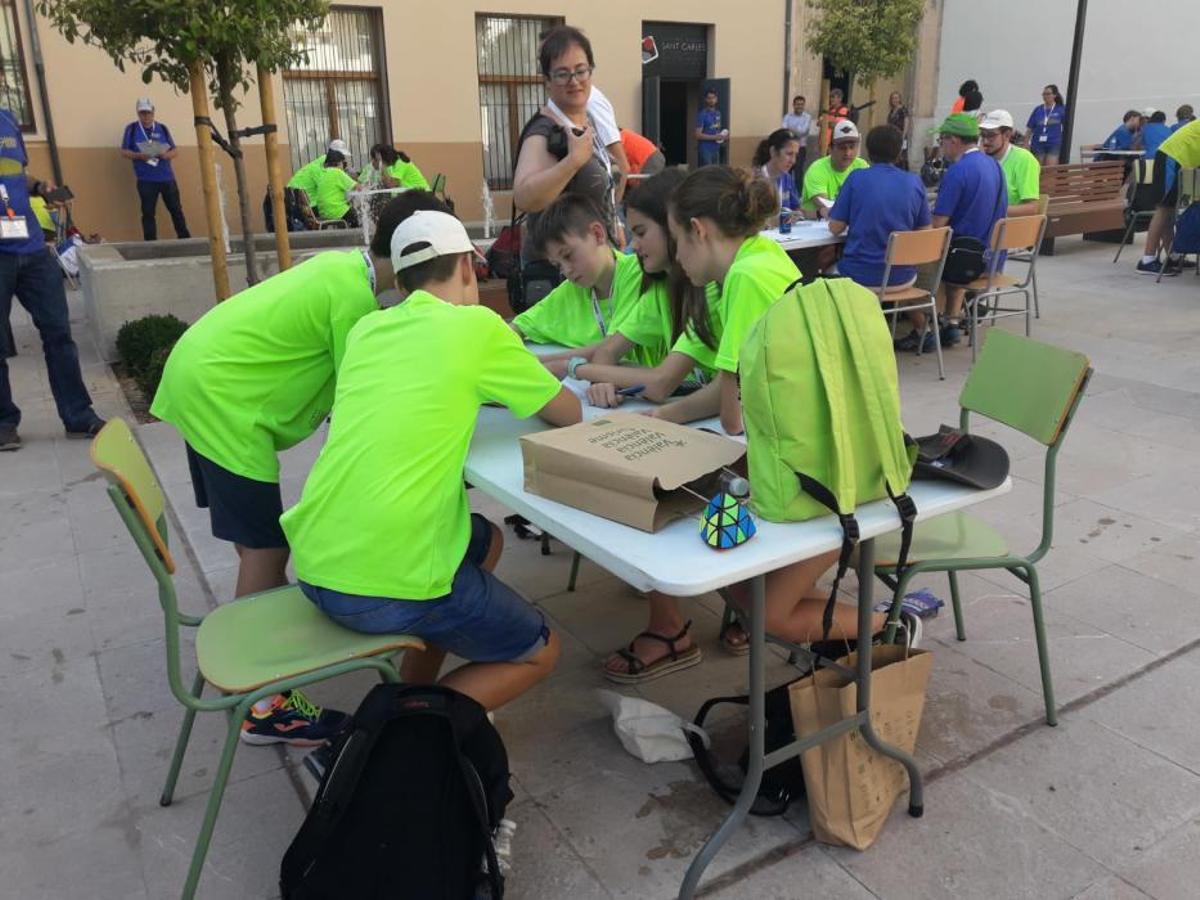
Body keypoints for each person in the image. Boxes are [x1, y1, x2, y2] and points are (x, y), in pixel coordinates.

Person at [151, 191, 453, 742]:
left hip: (207, 381)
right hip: (223, 399)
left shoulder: (345, 272)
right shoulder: (353, 299)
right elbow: (366, 398)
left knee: (258, 541)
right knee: (267, 547)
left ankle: (261, 634)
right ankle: (260, 704)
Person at [281, 210, 581, 712]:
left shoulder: (366, 331)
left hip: (316, 561)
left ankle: (412, 682)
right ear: (467, 266)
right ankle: (403, 725)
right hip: (386, 581)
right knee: (540, 651)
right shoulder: (478, 328)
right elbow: (568, 412)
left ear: (400, 284)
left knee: (485, 540)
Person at [599, 167, 817, 679]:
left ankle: (888, 628)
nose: (676, 257)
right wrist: (663, 418)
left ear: (698, 230)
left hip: (807, 471)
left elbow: (732, 416)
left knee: (672, 500)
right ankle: (700, 614)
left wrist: (669, 424)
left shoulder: (742, 278)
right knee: (690, 509)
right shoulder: (760, 258)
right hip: (803, 449)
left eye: (676, 241)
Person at [557, 168, 719, 404]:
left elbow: (661, 383)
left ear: (674, 227)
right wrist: (602, 382)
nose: (633, 245)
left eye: (641, 233)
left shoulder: (714, 287)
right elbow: (607, 350)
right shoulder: (661, 288)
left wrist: (575, 368)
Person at [0, 108, 105, 451]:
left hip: (32, 249)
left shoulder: (7, 120)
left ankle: (78, 416)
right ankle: (3, 423)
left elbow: (16, 174)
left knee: (59, 333)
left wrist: (39, 186)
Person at [512, 25, 615, 272]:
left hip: (588, 266)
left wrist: (615, 227)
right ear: (547, 81)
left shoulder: (585, 121)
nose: (574, 81)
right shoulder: (545, 130)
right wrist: (572, 162)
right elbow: (524, 197)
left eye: (581, 71)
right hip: (557, 270)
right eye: (562, 74)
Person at [509, 193, 650, 354]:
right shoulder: (571, 290)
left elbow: (611, 349)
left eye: (568, 255)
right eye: (558, 265)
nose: (566, 270)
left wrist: (548, 363)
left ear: (597, 234)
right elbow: (518, 326)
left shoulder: (638, 273)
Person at [827, 124, 931, 320]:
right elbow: (925, 231)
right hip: (902, 276)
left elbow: (835, 228)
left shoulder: (856, 178)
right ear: (899, 152)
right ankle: (918, 326)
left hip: (858, 274)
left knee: (825, 273)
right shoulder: (914, 182)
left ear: (867, 151)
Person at [931, 113, 1008, 346]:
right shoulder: (994, 165)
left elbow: (937, 225)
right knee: (959, 244)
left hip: (965, 264)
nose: (941, 146)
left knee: (914, 259)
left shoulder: (958, 171)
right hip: (992, 259)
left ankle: (923, 324)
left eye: (941, 140)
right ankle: (952, 321)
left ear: (954, 140)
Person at [120, 98, 189, 242]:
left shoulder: (162, 128)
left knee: (176, 210)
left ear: (153, 112)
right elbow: (124, 152)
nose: (146, 116)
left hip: (167, 178)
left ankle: (185, 239)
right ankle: (150, 243)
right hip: (146, 180)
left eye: (148, 113)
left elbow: (175, 150)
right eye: (142, 113)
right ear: (138, 113)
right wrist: (139, 156)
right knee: (148, 213)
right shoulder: (132, 129)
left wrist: (166, 155)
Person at [979, 110, 1041, 217]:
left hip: (1006, 224)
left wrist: (992, 212)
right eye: (982, 135)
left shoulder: (1024, 160)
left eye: (991, 136)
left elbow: (1032, 208)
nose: (985, 141)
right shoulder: (981, 159)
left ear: (1007, 135)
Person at [803, 120, 869, 218]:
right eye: (842, 148)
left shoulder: (862, 166)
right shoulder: (817, 169)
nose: (848, 153)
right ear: (830, 149)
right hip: (816, 225)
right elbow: (827, 208)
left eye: (852, 147)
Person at [753, 129, 803, 222]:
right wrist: (777, 220)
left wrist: (796, 214)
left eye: (796, 155)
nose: (793, 161)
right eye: (789, 154)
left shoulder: (787, 178)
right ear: (773, 152)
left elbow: (796, 208)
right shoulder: (754, 179)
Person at [287, 138, 351, 211]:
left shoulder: (321, 162)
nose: (343, 159)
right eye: (342, 158)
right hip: (308, 206)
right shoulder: (324, 168)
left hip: (296, 202)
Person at [313, 150, 361, 226]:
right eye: (344, 164)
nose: (344, 167)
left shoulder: (322, 174)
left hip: (323, 212)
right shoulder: (337, 172)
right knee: (360, 216)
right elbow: (358, 187)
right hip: (337, 211)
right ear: (339, 163)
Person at [1026, 85, 1066, 164]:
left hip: (1054, 143)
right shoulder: (1038, 109)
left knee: (1050, 168)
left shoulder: (1061, 109)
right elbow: (1030, 128)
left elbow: (1067, 127)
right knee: (1039, 168)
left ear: (1054, 95)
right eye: (1043, 94)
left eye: (1048, 94)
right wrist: (1026, 143)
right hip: (1038, 144)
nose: (1045, 96)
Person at [695, 88, 728, 167]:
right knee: (707, 172)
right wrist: (715, 137)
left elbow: (716, 130)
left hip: (716, 149)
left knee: (715, 172)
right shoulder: (702, 114)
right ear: (706, 100)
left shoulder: (718, 113)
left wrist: (723, 136)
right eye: (709, 98)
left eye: (713, 98)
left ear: (716, 99)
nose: (711, 100)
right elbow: (697, 135)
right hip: (706, 150)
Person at [782, 95, 812, 173]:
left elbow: (802, 132)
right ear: (793, 105)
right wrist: (796, 130)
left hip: (800, 148)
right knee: (787, 170)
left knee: (798, 171)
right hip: (788, 147)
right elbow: (784, 131)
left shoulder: (807, 117)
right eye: (798, 104)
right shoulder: (787, 116)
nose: (800, 106)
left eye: (802, 104)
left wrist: (790, 129)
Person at [819, 88, 850, 154]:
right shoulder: (828, 108)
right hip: (824, 144)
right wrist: (827, 123)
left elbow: (838, 126)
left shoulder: (844, 110)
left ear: (840, 99)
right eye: (831, 97)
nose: (831, 99)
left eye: (833, 97)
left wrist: (825, 123)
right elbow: (818, 123)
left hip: (835, 145)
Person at [887, 91, 913, 170]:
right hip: (892, 137)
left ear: (899, 99)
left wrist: (903, 136)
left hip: (900, 136)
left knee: (901, 156)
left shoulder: (903, 109)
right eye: (893, 98)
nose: (894, 100)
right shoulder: (892, 111)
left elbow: (906, 123)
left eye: (896, 98)